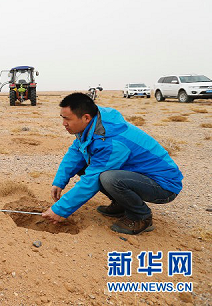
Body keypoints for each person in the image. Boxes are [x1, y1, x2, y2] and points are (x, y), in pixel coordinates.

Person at [42, 92, 182, 235]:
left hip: (164, 185)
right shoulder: (90, 126)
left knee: (108, 178)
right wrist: (59, 182)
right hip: (137, 175)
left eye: (67, 119)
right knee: (86, 165)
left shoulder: (110, 141)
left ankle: (141, 217)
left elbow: (92, 180)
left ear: (85, 117)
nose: (64, 123)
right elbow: (75, 154)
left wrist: (59, 210)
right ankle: (121, 204)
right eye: (62, 118)